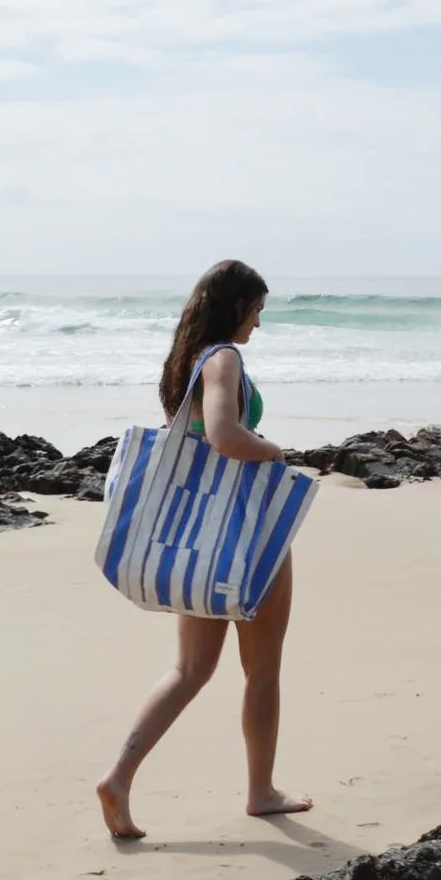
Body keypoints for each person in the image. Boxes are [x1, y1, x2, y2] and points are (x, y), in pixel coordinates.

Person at [96, 259, 313, 840]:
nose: (259, 324)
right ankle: (262, 792)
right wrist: (273, 451)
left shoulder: (184, 363)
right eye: (258, 310)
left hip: (196, 543)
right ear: (236, 306)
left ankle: (118, 777)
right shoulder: (223, 359)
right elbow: (223, 435)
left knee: (189, 669)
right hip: (243, 534)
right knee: (261, 671)